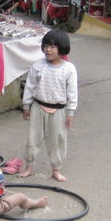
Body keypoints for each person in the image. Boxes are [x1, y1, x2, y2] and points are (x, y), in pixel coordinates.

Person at [20, 29, 79, 182]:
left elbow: (72, 92)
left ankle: (56, 169)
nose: (48, 49)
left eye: (52, 47)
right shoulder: (38, 66)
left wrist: (70, 113)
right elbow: (30, 86)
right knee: (33, 139)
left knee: (57, 140)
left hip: (59, 110)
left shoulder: (69, 69)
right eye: (46, 46)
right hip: (37, 108)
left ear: (62, 48)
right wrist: (26, 106)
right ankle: (29, 167)